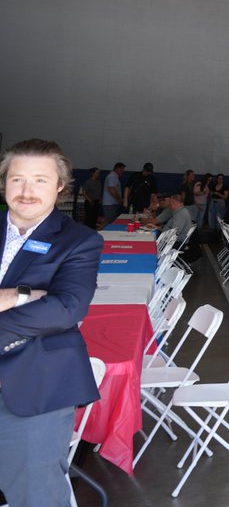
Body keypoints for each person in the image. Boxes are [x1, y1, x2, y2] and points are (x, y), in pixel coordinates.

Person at [0, 139, 104, 507]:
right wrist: (32, 294)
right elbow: (49, 302)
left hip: (35, 384)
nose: (27, 192)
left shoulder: (79, 241)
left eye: (40, 180)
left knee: (35, 494)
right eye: (17, 180)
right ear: (4, 183)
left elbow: (67, 308)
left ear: (60, 185)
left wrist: (12, 295)